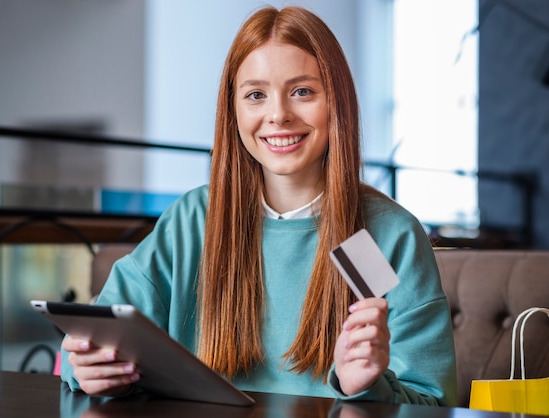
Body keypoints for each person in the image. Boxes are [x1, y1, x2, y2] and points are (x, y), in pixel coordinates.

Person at [61, 5, 457, 406]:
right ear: (233, 111)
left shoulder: (391, 236)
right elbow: (89, 342)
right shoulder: (191, 221)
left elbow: (433, 403)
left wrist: (369, 387)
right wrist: (88, 366)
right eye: (255, 95)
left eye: (302, 91)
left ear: (336, 101)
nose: (278, 115)